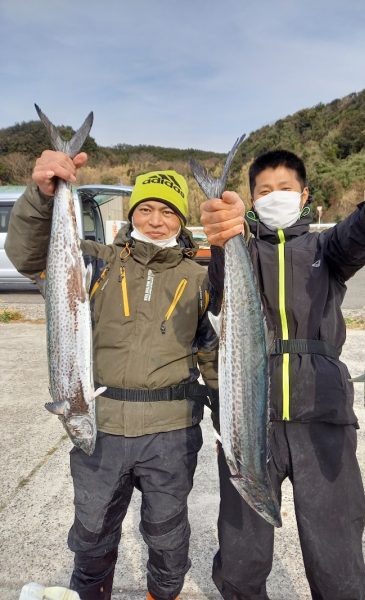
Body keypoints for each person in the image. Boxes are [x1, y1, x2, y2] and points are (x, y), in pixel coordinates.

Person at [200, 147, 365, 600]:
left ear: (305, 194)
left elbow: (358, 233)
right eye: (264, 190)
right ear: (252, 200)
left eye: (285, 188)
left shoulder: (324, 249)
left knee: (337, 556)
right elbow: (217, 288)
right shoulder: (242, 251)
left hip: (324, 418)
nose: (275, 196)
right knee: (241, 556)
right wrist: (223, 239)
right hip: (250, 420)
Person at [6, 150, 219, 600]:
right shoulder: (97, 263)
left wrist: (235, 420)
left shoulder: (200, 279)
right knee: (92, 533)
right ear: (132, 213)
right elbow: (27, 257)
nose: (156, 220)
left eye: (166, 210)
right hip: (100, 430)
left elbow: (212, 352)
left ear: (180, 219)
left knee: (167, 535)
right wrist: (43, 197)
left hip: (172, 434)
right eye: (145, 208)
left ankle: (163, 594)